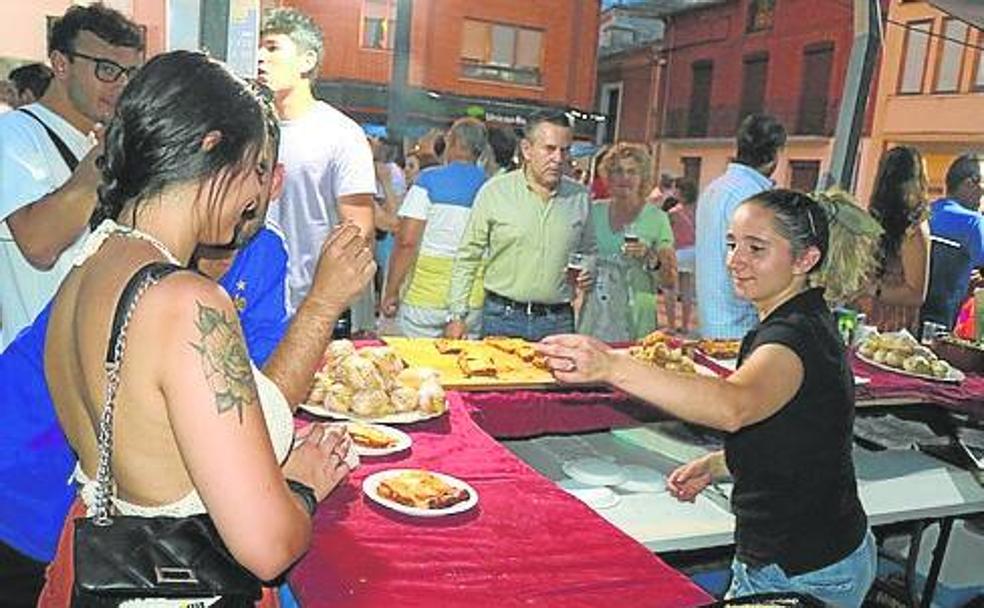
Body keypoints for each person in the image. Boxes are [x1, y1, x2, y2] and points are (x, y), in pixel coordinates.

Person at [38, 51, 376, 605]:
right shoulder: (187, 302)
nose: (254, 199)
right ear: (213, 147)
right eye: (256, 169)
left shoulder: (84, 269)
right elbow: (267, 547)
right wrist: (302, 488)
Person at [538, 189, 877, 607]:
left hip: (804, 571)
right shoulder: (801, 318)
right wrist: (722, 463)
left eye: (757, 248)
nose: (736, 260)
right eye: (733, 244)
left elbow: (733, 405)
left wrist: (610, 366)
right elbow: (797, 435)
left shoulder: (792, 339)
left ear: (805, 260)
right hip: (810, 553)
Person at [0, 3, 143, 348]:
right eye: (107, 69)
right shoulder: (15, 135)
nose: (120, 84)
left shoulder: (94, 143)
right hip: (33, 372)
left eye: (131, 73)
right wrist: (107, 155)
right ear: (61, 64)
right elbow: (39, 243)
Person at [257, 7, 376, 330]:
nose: (260, 58)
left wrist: (324, 300)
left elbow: (358, 229)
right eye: (258, 47)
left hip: (312, 309)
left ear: (307, 61)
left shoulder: (341, 135)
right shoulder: (253, 129)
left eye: (272, 47)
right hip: (252, 302)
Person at [445, 111, 596, 341]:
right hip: (502, 317)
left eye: (564, 150)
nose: (558, 158)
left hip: (558, 321)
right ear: (527, 149)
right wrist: (456, 315)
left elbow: (589, 251)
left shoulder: (580, 198)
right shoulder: (495, 192)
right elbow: (468, 256)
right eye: (549, 149)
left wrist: (588, 269)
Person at [381, 117, 488, 337]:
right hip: (472, 302)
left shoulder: (428, 181)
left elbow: (406, 242)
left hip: (424, 300)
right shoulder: (492, 187)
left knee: (417, 365)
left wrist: (391, 292)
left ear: (453, 142)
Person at [696, 113, 786, 339]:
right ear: (775, 155)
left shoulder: (713, 189)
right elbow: (758, 264)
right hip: (742, 326)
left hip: (711, 319)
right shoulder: (757, 199)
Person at [577, 143, 675, 342]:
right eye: (618, 171)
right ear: (608, 177)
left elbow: (669, 280)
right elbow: (579, 262)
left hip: (637, 323)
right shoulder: (594, 212)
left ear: (643, 178)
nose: (625, 178)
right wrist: (580, 278)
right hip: (595, 320)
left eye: (632, 172)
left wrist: (650, 257)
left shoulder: (657, 219)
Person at [857, 146, 930, 333]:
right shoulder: (874, 220)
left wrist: (872, 290)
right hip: (867, 322)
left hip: (894, 330)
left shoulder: (913, 230)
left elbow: (916, 294)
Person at [921, 154, 984, 330]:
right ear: (970, 183)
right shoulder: (974, 222)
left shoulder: (925, 214)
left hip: (911, 313)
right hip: (947, 323)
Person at [667, 178, 698, 334]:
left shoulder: (673, 213)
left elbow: (668, 235)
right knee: (687, 291)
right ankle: (685, 325)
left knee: (671, 289)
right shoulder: (697, 210)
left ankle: (672, 325)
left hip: (678, 252)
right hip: (693, 251)